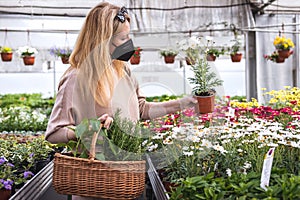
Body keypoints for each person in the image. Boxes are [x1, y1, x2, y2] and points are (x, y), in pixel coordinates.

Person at [45, 2, 197, 199]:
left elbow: (141, 110)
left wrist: (182, 104)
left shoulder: (122, 70)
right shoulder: (76, 78)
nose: (129, 43)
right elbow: (53, 133)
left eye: (129, 36)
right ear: (102, 40)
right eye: (123, 38)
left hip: (127, 181)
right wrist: (88, 128)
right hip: (96, 186)